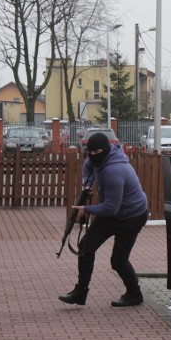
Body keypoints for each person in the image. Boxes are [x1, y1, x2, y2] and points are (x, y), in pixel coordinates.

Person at [59, 132, 149, 307]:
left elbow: (110, 207)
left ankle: (134, 294)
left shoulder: (115, 171)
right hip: (111, 214)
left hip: (132, 216)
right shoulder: (95, 160)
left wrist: (87, 209)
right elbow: (87, 165)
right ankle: (80, 292)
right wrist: (87, 184)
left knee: (118, 261)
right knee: (85, 246)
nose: (93, 156)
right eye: (90, 152)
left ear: (106, 150)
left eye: (97, 152)